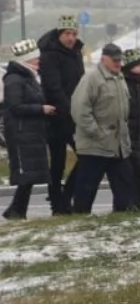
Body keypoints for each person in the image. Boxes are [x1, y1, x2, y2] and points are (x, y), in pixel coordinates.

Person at [70, 43, 135, 214]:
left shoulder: (120, 78)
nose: (118, 63)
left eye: (120, 60)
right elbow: (80, 110)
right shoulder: (91, 79)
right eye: (114, 60)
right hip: (95, 146)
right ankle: (80, 221)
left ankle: (122, 219)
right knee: (86, 189)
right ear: (103, 59)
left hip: (118, 146)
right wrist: (97, 133)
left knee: (125, 187)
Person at [38, 15, 86, 214]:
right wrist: (69, 110)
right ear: (59, 34)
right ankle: (57, 203)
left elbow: (81, 83)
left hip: (75, 114)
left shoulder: (76, 53)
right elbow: (53, 87)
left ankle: (67, 195)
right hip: (58, 116)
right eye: (67, 34)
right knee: (57, 162)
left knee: (85, 155)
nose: (71, 38)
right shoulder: (49, 54)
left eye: (74, 34)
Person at [2, 40, 53, 220]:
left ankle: (16, 211)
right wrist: (40, 109)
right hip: (21, 134)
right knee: (26, 175)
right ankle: (16, 211)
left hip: (31, 132)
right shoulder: (14, 79)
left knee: (30, 175)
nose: (39, 61)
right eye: (35, 58)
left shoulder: (28, 77)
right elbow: (15, 107)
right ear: (27, 59)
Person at [122, 50, 140, 211]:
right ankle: (129, 204)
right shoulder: (125, 84)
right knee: (128, 173)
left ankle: (137, 204)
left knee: (138, 172)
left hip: (139, 135)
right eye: (138, 65)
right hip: (128, 135)